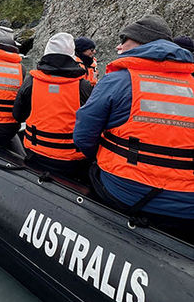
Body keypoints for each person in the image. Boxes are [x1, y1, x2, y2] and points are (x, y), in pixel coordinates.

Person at [73, 14, 194, 229]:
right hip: (187, 205)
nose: (119, 46)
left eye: (124, 40)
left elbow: (83, 135)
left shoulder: (117, 79)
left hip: (127, 191)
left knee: (89, 170)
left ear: (140, 42)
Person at [13, 33, 93, 175]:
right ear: (72, 56)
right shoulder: (84, 86)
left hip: (36, 153)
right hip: (71, 161)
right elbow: (94, 125)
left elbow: (18, 115)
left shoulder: (32, 80)